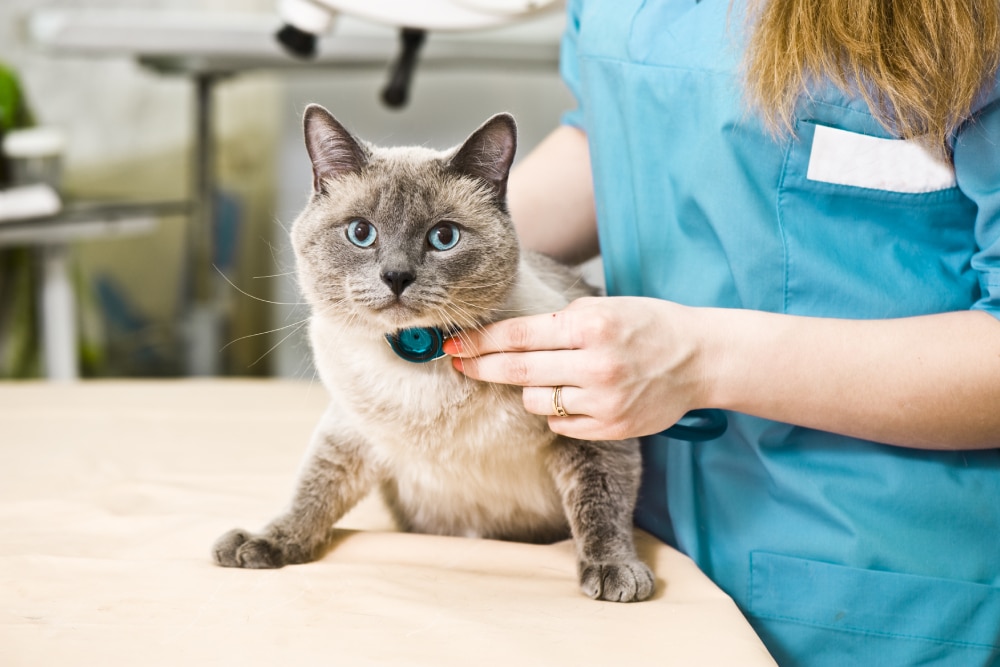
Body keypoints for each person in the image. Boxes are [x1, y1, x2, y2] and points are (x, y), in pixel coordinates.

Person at [443, 0, 1000, 664]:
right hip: (648, 549)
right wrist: (437, 258)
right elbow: (621, 136)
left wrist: (700, 362)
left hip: (876, 586)